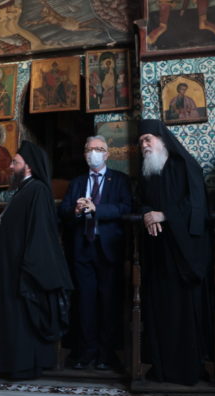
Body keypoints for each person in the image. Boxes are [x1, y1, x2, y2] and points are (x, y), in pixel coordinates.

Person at [0, 140, 73, 378]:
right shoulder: (23, 190)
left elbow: (40, 232)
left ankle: (23, 366)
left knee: (22, 319)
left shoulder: (38, 190)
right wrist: (1, 220)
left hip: (23, 269)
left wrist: (30, 267)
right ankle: (8, 364)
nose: (10, 166)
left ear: (29, 166)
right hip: (10, 268)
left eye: (15, 162)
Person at [137, 119, 212, 385]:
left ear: (162, 139)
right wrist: (148, 213)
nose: (144, 145)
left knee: (184, 311)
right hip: (158, 252)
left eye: (148, 139)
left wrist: (165, 215)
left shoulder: (185, 165)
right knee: (160, 310)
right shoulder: (148, 171)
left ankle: (187, 370)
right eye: (140, 141)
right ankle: (162, 368)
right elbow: (141, 201)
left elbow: (196, 205)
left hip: (184, 254)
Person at [58, 135, 132, 370]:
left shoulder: (120, 180)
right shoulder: (77, 182)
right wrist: (76, 210)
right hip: (83, 249)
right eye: (90, 149)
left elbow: (125, 208)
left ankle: (106, 355)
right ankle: (86, 352)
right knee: (85, 302)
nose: (94, 153)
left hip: (109, 249)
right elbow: (63, 211)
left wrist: (97, 209)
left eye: (99, 149)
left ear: (107, 154)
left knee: (109, 303)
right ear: (84, 154)